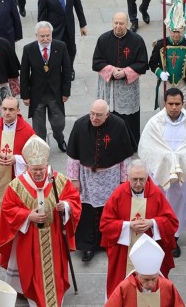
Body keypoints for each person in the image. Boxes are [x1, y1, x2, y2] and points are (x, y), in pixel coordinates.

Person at [0, 135, 82, 307]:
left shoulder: (59, 180)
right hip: (30, 240)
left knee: (55, 272)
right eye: (34, 169)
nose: (38, 173)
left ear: (47, 165)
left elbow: (74, 200)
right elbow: (7, 209)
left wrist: (64, 206)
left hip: (54, 235)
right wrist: (28, 216)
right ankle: (32, 293)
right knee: (31, 271)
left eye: (41, 169)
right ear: (28, 166)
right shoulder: (17, 185)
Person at [67, 99, 137, 262]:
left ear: (107, 115)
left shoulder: (119, 125)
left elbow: (125, 157)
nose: (94, 118)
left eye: (98, 115)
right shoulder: (80, 125)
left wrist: (124, 180)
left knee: (109, 211)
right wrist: (74, 179)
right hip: (87, 176)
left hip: (110, 176)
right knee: (88, 211)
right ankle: (87, 246)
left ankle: (108, 242)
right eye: (92, 113)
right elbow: (72, 155)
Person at [138, 88, 186, 257]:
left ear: (183, 104)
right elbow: (147, 146)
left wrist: (178, 160)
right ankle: (155, 235)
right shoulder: (155, 122)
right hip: (160, 171)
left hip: (180, 174)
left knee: (177, 205)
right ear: (164, 104)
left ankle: (174, 237)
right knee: (157, 204)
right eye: (171, 104)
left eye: (178, 104)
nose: (174, 107)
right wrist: (166, 158)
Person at [100, 160, 179, 298]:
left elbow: (172, 222)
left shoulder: (155, 193)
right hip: (125, 253)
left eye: (141, 179)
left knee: (149, 290)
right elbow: (105, 224)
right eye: (134, 179)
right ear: (127, 177)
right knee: (122, 290)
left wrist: (153, 223)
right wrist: (127, 225)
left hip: (149, 251)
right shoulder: (118, 194)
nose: (138, 183)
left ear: (147, 177)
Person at [0, 97, 35, 230]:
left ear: (18, 111)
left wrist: (17, 159)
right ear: (0, 109)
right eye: (4, 109)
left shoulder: (27, 131)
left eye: (11, 109)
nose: (7, 112)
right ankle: (1, 225)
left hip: (17, 178)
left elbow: (34, 153)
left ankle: (18, 224)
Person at [92, 12, 148, 143]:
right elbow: (96, 62)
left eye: (121, 23)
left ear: (127, 24)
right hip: (108, 87)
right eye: (116, 23)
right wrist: (111, 70)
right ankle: (107, 142)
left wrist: (125, 72)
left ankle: (129, 143)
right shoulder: (103, 39)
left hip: (127, 89)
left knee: (128, 118)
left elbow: (143, 64)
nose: (118, 26)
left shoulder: (137, 40)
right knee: (107, 115)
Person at [20, 21, 72, 152]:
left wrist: (66, 92)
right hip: (37, 94)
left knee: (59, 123)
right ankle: (41, 148)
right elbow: (24, 73)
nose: (45, 39)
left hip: (55, 93)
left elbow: (66, 70)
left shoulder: (61, 46)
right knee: (38, 127)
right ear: (36, 35)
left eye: (48, 35)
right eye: (42, 36)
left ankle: (59, 138)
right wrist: (25, 95)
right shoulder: (28, 49)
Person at [37, 0, 88, 79]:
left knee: (71, 48)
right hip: (54, 27)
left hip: (69, 25)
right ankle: (55, 70)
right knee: (55, 50)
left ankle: (69, 69)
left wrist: (82, 25)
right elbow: (41, 15)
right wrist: (42, 31)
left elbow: (78, 6)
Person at [105, 234, 185, 306]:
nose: (150, 284)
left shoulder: (167, 286)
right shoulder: (125, 287)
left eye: (154, 279)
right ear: (137, 274)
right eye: (146, 280)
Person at [148, 26, 186, 109]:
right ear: (169, 30)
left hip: (182, 83)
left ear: (183, 30)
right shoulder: (160, 44)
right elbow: (152, 63)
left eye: (178, 32)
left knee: (181, 112)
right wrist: (160, 73)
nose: (176, 35)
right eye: (173, 32)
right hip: (165, 82)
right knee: (164, 112)